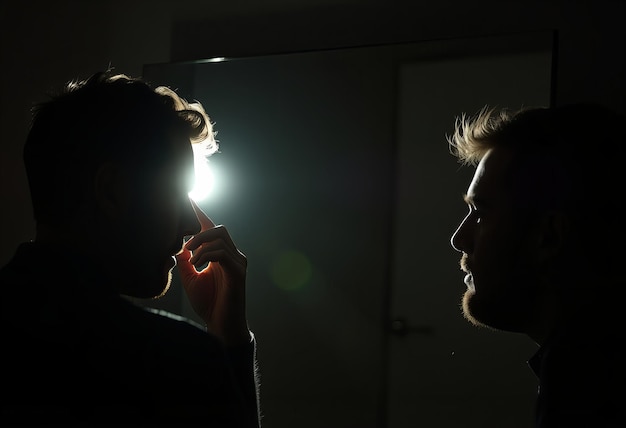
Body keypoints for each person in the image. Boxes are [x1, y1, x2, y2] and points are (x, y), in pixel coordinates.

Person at [0, 70, 261, 427]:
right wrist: (228, 342)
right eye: (175, 192)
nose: (189, 224)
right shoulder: (173, 364)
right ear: (111, 191)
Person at [448, 102, 626, 427]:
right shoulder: (587, 360)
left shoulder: (589, 386)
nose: (459, 239)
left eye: (481, 212)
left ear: (548, 236)